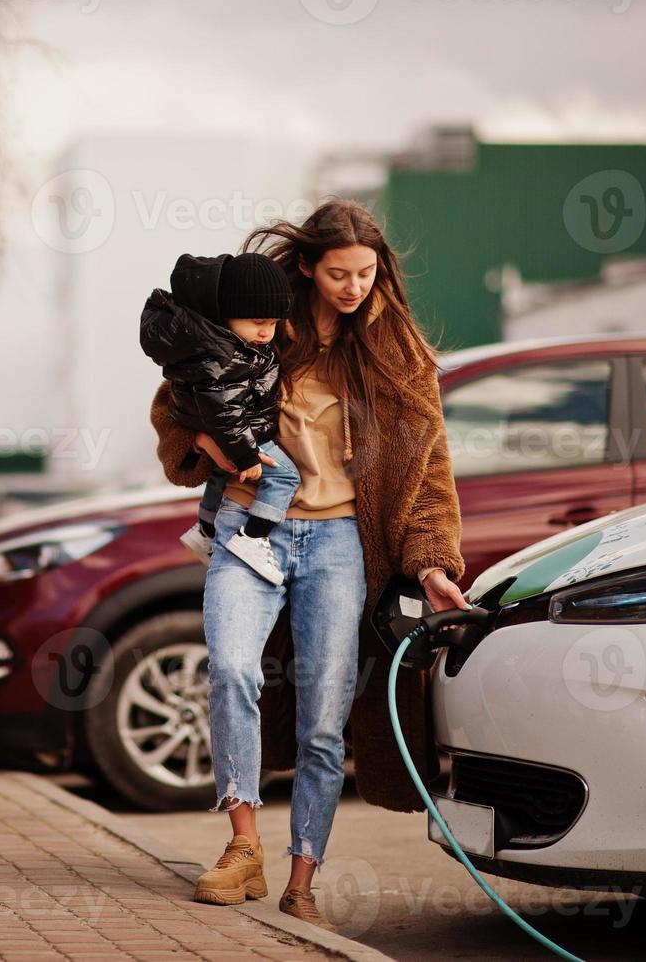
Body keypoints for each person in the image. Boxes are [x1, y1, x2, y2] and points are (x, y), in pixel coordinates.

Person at [148, 199, 471, 932]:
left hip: (337, 546)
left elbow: (428, 476)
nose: (353, 287)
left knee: (324, 723)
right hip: (246, 528)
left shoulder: (396, 355)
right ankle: (241, 847)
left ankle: (302, 878)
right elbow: (176, 405)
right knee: (231, 669)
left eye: (364, 273)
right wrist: (216, 453)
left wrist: (430, 566)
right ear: (306, 267)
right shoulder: (257, 324)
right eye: (337, 273)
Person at [139, 252, 302, 584]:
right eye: (258, 324)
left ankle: (205, 529)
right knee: (285, 478)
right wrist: (243, 453)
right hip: (243, 436)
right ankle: (253, 537)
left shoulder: (216, 345)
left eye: (273, 324)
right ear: (227, 316)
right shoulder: (225, 355)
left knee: (218, 475)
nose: (267, 334)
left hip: (229, 432)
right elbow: (223, 409)